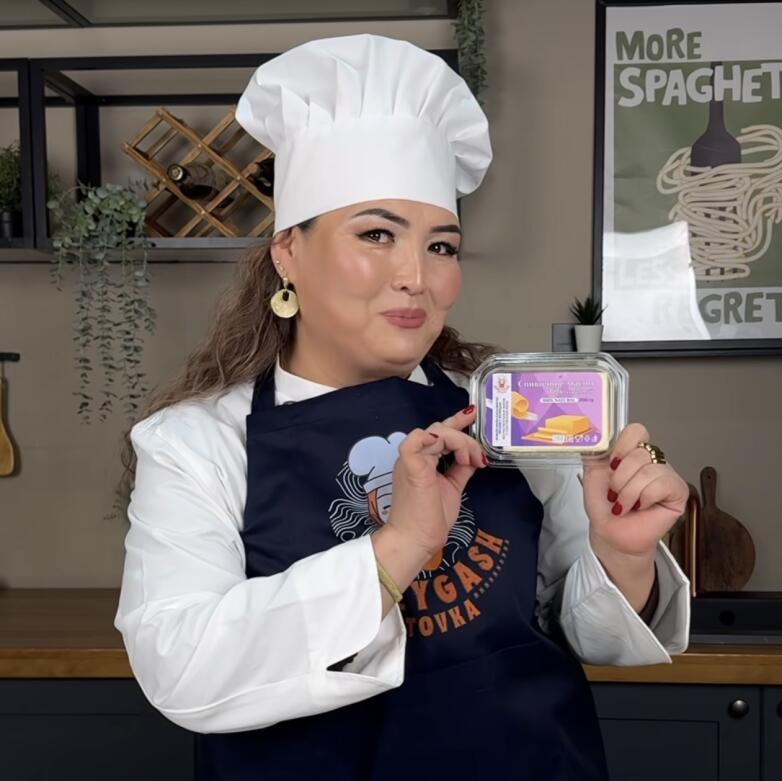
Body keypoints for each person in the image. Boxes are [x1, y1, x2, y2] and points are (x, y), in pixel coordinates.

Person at [114, 33, 690, 780]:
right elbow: (181, 665)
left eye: (442, 245)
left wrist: (622, 553)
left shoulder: (506, 421)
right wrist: (396, 548)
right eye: (377, 234)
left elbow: (586, 628)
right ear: (289, 251)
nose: (416, 276)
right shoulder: (197, 442)